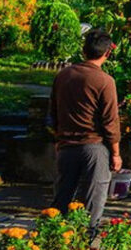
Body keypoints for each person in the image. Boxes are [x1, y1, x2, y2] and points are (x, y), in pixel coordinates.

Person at [50, 28, 121, 234]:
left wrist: (58, 139)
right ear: (107, 53)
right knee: (92, 203)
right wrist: (116, 153)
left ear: (83, 51)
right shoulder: (105, 81)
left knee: (61, 198)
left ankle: (54, 242)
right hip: (94, 147)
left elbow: (53, 111)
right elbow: (110, 121)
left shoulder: (63, 75)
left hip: (66, 146)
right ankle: (83, 247)